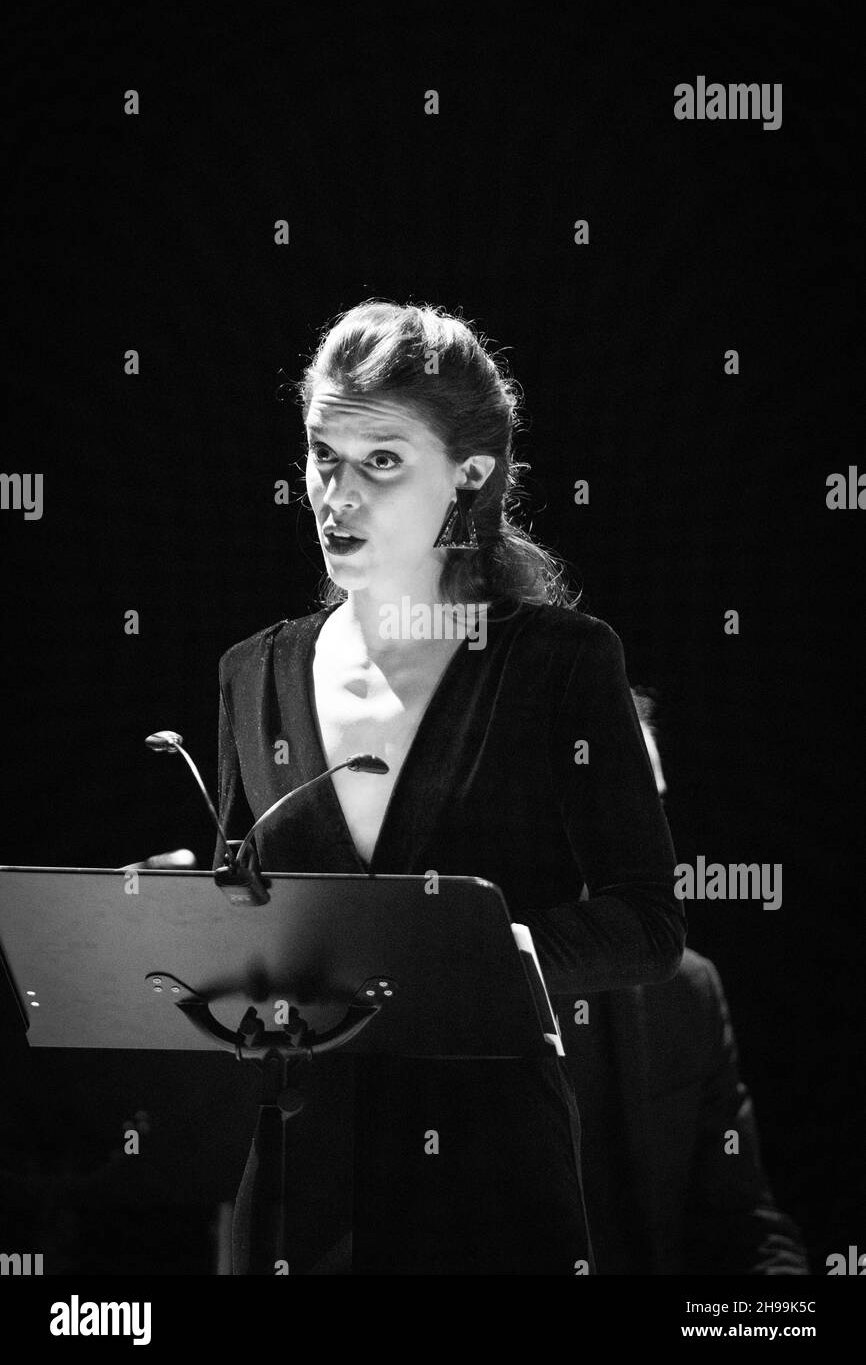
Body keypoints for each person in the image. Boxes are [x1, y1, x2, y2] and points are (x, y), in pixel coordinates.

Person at [214, 298, 685, 1275]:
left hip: (488, 1186)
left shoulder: (560, 663)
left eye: (379, 460)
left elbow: (644, 922)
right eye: (321, 455)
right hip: (294, 1192)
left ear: (469, 474)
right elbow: (240, 910)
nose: (335, 497)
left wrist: (479, 952)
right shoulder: (250, 671)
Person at [555, 694, 809, 1274]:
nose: (646, 844)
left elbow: (743, 1225)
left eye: (654, 810)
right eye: (613, 804)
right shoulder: (444, 977)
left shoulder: (687, 989)